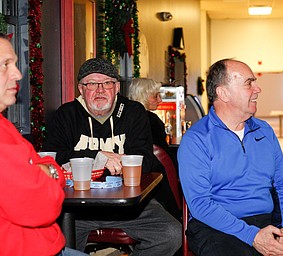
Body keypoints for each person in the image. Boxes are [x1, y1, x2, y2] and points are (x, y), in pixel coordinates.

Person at [178, 58, 283, 256]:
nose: (257, 89)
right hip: (218, 227)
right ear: (223, 93)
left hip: (268, 220)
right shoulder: (196, 140)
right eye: (249, 83)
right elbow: (201, 205)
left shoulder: (265, 131)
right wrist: (252, 236)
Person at [43, 58, 181, 255]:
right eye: (91, 83)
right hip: (77, 211)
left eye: (107, 83)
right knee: (51, 241)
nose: (100, 90)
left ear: (116, 87)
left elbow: (146, 160)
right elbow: (52, 158)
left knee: (171, 234)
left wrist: (115, 161)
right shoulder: (67, 114)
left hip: (131, 207)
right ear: (81, 89)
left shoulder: (134, 112)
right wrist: (99, 156)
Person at [0, 34, 88, 255]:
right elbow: (42, 208)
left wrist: (44, 169)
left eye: (15, 65)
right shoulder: (67, 114)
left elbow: (47, 162)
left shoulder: (4, 125)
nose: (18, 74)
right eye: (5, 65)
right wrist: (46, 169)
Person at [128, 77, 181, 220]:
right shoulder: (151, 120)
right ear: (143, 96)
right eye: (155, 96)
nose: (160, 100)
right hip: (154, 181)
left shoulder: (124, 119)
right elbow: (164, 155)